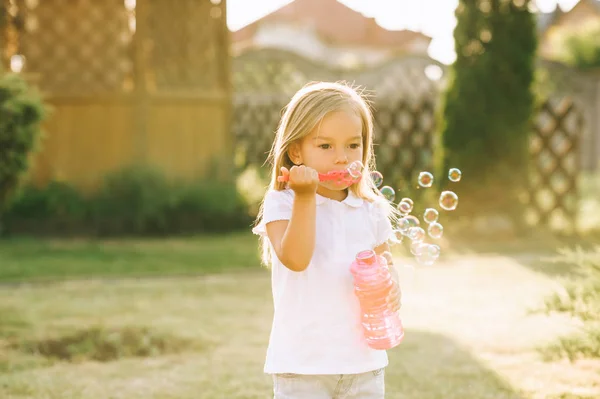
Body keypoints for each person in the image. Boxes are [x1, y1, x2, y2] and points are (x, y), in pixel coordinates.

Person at [252, 81, 402, 399]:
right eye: (325, 146)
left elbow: (386, 267)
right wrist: (305, 196)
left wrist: (392, 288)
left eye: (353, 145)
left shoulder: (371, 210)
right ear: (296, 151)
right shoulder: (284, 203)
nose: (341, 158)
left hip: (364, 364)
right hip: (303, 368)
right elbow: (296, 258)